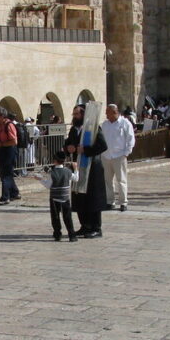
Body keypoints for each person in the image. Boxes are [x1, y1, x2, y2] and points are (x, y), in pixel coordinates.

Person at [65, 105, 107, 238]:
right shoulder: (73, 129)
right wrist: (68, 148)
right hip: (78, 167)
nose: (74, 116)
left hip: (92, 168)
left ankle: (96, 227)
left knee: (92, 198)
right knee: (79, 197)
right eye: (73, 114)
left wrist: (86, 150)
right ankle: (85, 225)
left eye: (76, 114)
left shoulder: (93, 129)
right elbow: (68, 143)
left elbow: (102, 145)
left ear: (83, 115)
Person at [100, 103, 136, 212]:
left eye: (108, 112)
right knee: (107, 181)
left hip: (119, 156)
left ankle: (123, 202)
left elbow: (130, 139)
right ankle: (110, 201)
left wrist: (126, 153)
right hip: (106, 156)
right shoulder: (105, 124)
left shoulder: (125, 123)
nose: (106, 114)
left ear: (114, 112)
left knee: (121, 180)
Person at [38, 150, 77, 242]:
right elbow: (76, 178)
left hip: (54, 198)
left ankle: (57, 234)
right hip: (65, 198)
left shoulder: (53, 172)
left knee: (55, 217)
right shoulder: (67, 171)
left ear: (54, 161)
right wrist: (76, 169)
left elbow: (48, 185)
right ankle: (72, 235)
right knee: (67, 217)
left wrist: (40, 179)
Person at [0, 107, 20, 205]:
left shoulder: (9, 125)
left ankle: (5, 197)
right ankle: (15, 192)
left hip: (9, 151)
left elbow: (14, 141)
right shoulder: (0, 125)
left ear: (2, 116)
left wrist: (2, 144)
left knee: (5, 174)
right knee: (6, 173)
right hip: (3, 150)